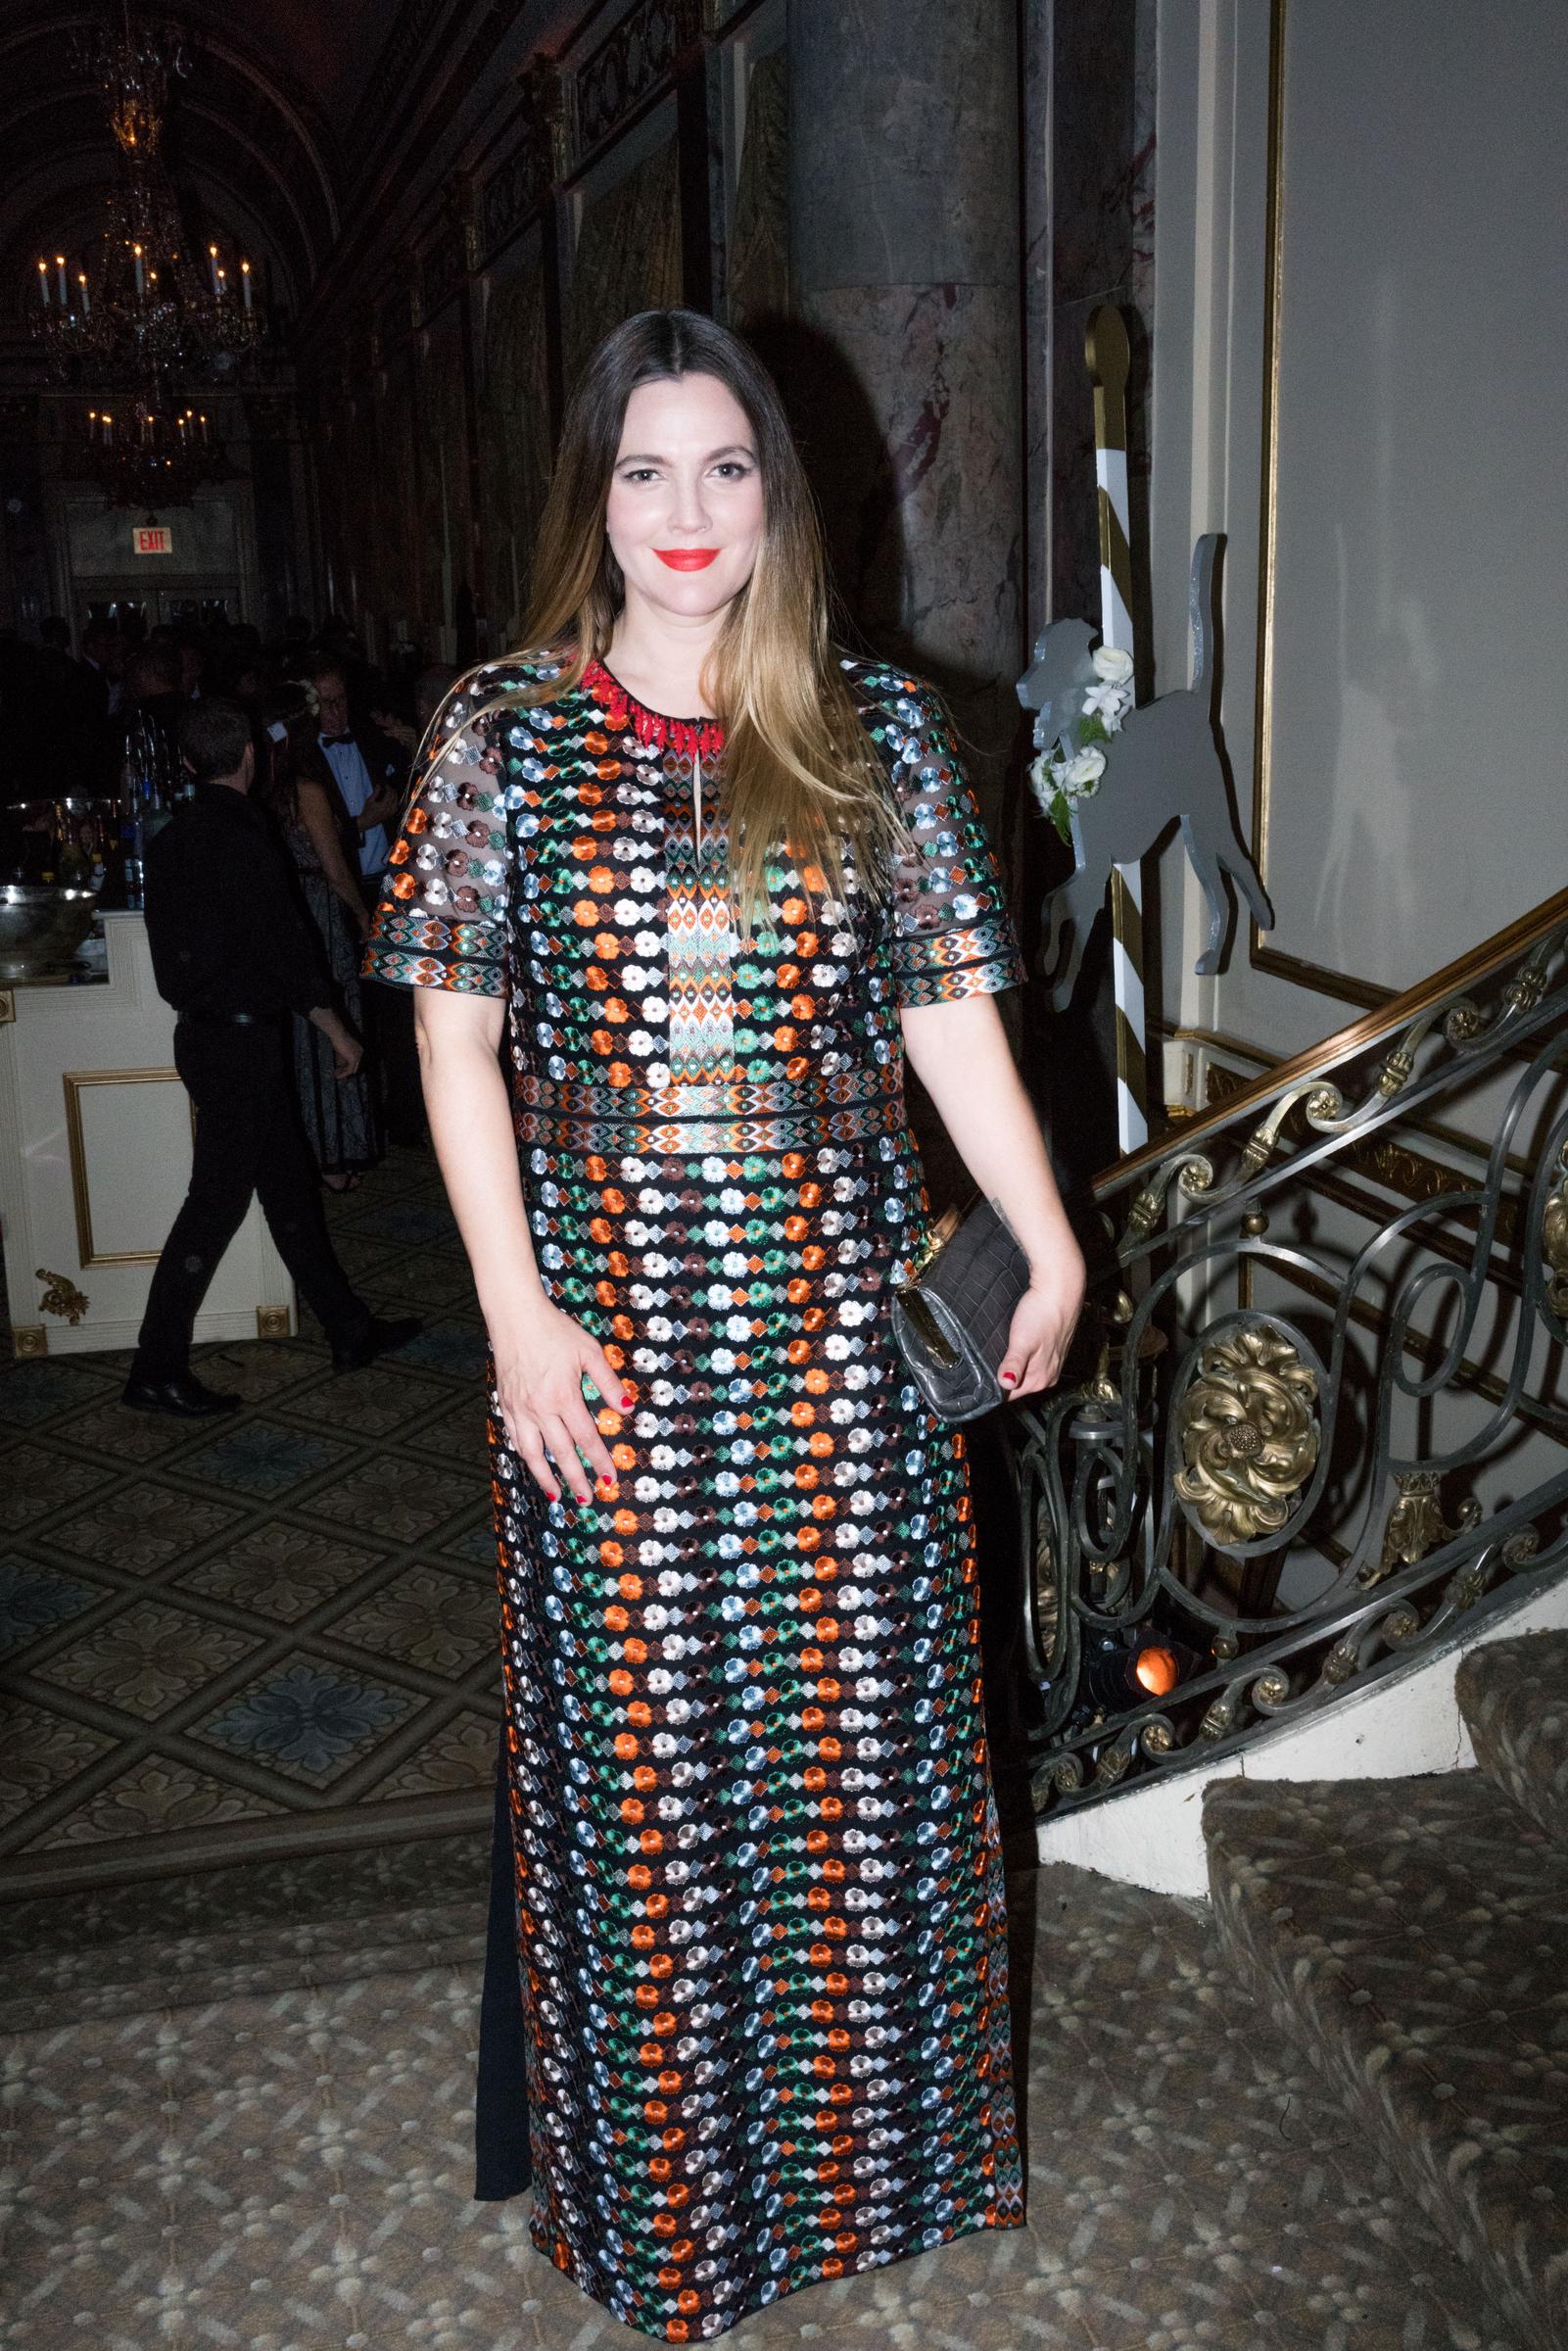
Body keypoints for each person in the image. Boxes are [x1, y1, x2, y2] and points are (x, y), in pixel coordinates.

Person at [363, 309, 1086, 2338]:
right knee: (640, 1778)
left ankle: (870, 2174)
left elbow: (948, 1007)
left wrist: (1045, 1235)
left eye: (725, 468)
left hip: (839, 1332)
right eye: (642, 472)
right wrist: (511, 1319)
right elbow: (451, 1039)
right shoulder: (500, 730)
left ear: (779, 491)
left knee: (855, 1755)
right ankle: (667, 2211)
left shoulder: (873, 730)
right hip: (602, 1339)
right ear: (592, 499)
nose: (686, 515)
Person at [126, 696, 419, 1415]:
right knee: (213, 1206)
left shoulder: (167, 840)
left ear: (189, 764)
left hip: (205, 1036)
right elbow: (284, 945)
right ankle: (154, 1367)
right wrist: (336, 1028)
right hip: (243, 1042)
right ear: (252, 758)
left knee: (288, 1192)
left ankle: (348, 1328)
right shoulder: (246, 835)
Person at [259, 681, 386, 1189]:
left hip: (286, 909)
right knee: (333, 1024)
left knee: (302, 1033)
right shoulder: (305, 789)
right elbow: (335, 869)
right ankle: (335, 1154)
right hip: (317, 911)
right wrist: (360, 915)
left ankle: (318, 1151)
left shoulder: (264, 788)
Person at [309, 655, 425, 1143]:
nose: (336, 713)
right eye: (325, 703)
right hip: (338, 894)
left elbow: (427, 802)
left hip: (390, 887)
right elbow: (313, 839)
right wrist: (364, 823)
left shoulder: (375, 741)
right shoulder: (299, 761)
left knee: (399, 1011)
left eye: (342, 701)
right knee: (349, 1008)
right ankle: (357, 1125)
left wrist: (418, 749)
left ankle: (405, 1120)